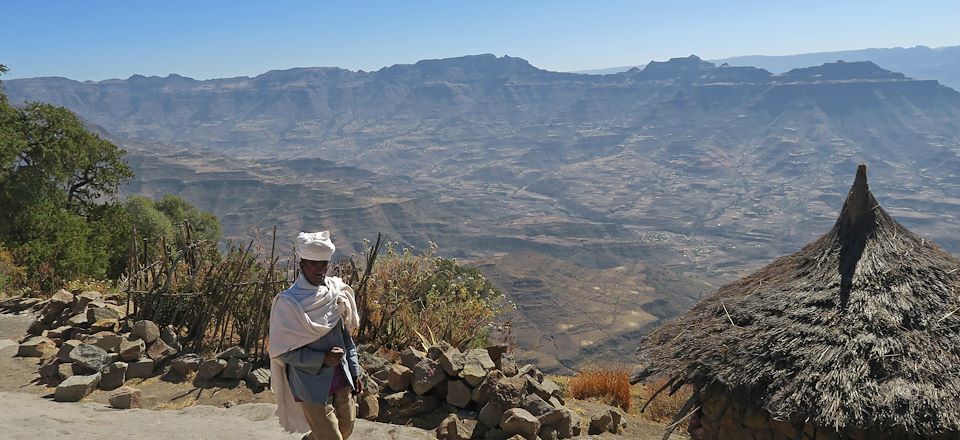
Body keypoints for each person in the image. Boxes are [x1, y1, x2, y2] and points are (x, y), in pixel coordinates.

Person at [269, 231, 362, 440]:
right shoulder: (289, 303)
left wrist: (355, 371)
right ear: (302, 264)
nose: (320, 269)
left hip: (341, 375)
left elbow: (346, 338)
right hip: (309, 381)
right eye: (314, 263)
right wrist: (322, 359)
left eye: (323, 264)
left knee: (346, 428)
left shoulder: (334, 292)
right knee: (331, 437)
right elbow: (283, 352)